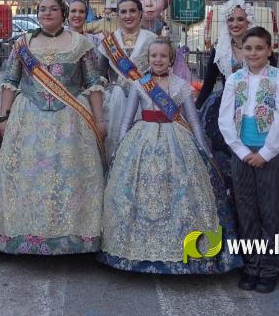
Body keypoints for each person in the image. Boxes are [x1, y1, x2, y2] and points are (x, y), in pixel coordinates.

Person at [99, 38, 241, 274]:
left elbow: (194, 121)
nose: (158, 60)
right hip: (141, 140)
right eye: (153, 56)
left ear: (171, 59)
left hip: (177, 141)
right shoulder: (139, 85)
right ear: (148, 58)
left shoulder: (181, 86)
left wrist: (204, 150)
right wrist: (120, 147)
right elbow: (127, 118)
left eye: (163, 56)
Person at [0, 0, 107, 255]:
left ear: (63, 13)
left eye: (53, 9)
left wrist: (99, 119)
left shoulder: (81, 44)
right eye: (42, 9)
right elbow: (10, 81)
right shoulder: (23, 43)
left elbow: (94, 83)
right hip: (28, 118)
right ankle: (26, 233)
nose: (46, 13)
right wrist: (3, 119)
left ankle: (73, 236)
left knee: (70, 177)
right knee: (28, 177)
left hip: (71, 120)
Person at [218, 26, 279, 293]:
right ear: (241, 50)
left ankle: (269, 269)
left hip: (270, 155)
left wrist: (265, 153)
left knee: (270, 211)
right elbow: (225, 119)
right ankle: (251, 266)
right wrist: (241, 152)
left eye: (259, 48)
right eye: (248, 48)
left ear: (269, 50)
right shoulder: (234, 79)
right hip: (242, 154)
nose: (253, 53)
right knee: (247, 211)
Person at [195, 0, 258, 197]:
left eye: (240, 19)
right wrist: (195, 111)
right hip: (225, 108)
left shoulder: (260, 47)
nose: (235, 24)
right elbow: (208, 83)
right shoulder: (220, 49)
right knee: (225, 158)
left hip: (255, 106)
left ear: (248, 21)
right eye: (230, 19)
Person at [97, 0, 157, 162]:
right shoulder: (108, 43)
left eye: (132, 11)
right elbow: (100, 76)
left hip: (145, 101)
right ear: (117, 15)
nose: (128, 15)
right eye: (123, 12)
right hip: (115, 103)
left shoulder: (152, 40)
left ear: (140, 13)